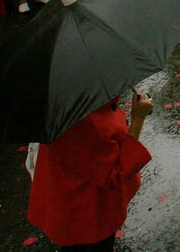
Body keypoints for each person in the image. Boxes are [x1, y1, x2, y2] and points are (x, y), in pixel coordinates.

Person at [28, 91, 154, 252]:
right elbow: (114, 175)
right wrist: (138, 120)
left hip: (78, 205)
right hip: (86, 217)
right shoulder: (84, 121)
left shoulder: (75, 100)